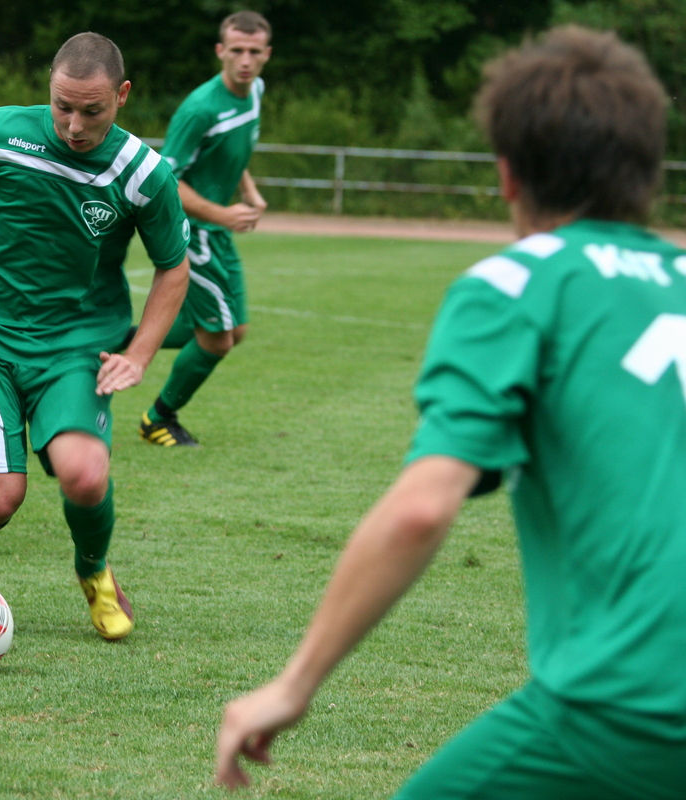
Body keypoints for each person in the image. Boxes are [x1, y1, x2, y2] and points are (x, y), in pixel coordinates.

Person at [215, 26, 686, 799]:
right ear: (649, 173)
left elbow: (421, 509)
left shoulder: (514, 284)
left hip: (631, 705)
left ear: (505, 175)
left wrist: (294, 683)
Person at [0, 32, 191, 641]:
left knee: (85, 475)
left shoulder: (143, 174)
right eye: (62, 106)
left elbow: (174, 267)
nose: (74, 125)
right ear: (48, 91)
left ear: (123, 96)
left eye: (92, 110)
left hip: (77, 345)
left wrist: (138, 354)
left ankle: (95, 573)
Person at [139, 11, 271, 447]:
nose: (245, 60)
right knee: (217, 339)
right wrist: (222, 213)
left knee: (237, 331)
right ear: (221, 52)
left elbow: (236, 151)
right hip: (193, 232)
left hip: (219, 229)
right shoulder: (200, 108)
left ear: (266, 54)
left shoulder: (255, 94)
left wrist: (248, 193)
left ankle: (119, 336)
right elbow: (169, 177)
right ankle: (158, 418)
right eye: (237, 51)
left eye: (254, 52)